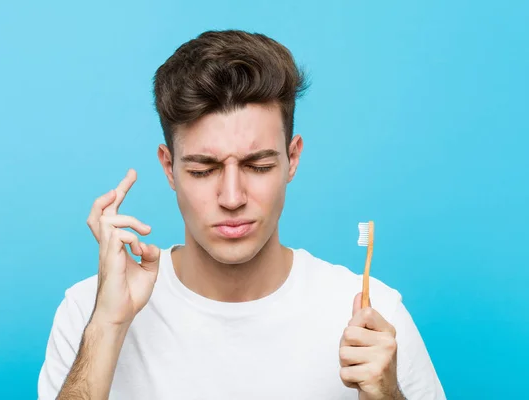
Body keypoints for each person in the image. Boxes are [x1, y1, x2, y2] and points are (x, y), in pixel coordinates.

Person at [38, 29, 446, 400]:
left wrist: (387, 396)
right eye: (203, 169)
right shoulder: (88, 312)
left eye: (258, 166)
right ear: (169, 169)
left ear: (292, 158)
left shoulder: (374, 318)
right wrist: (107, 326)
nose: (232, 197)